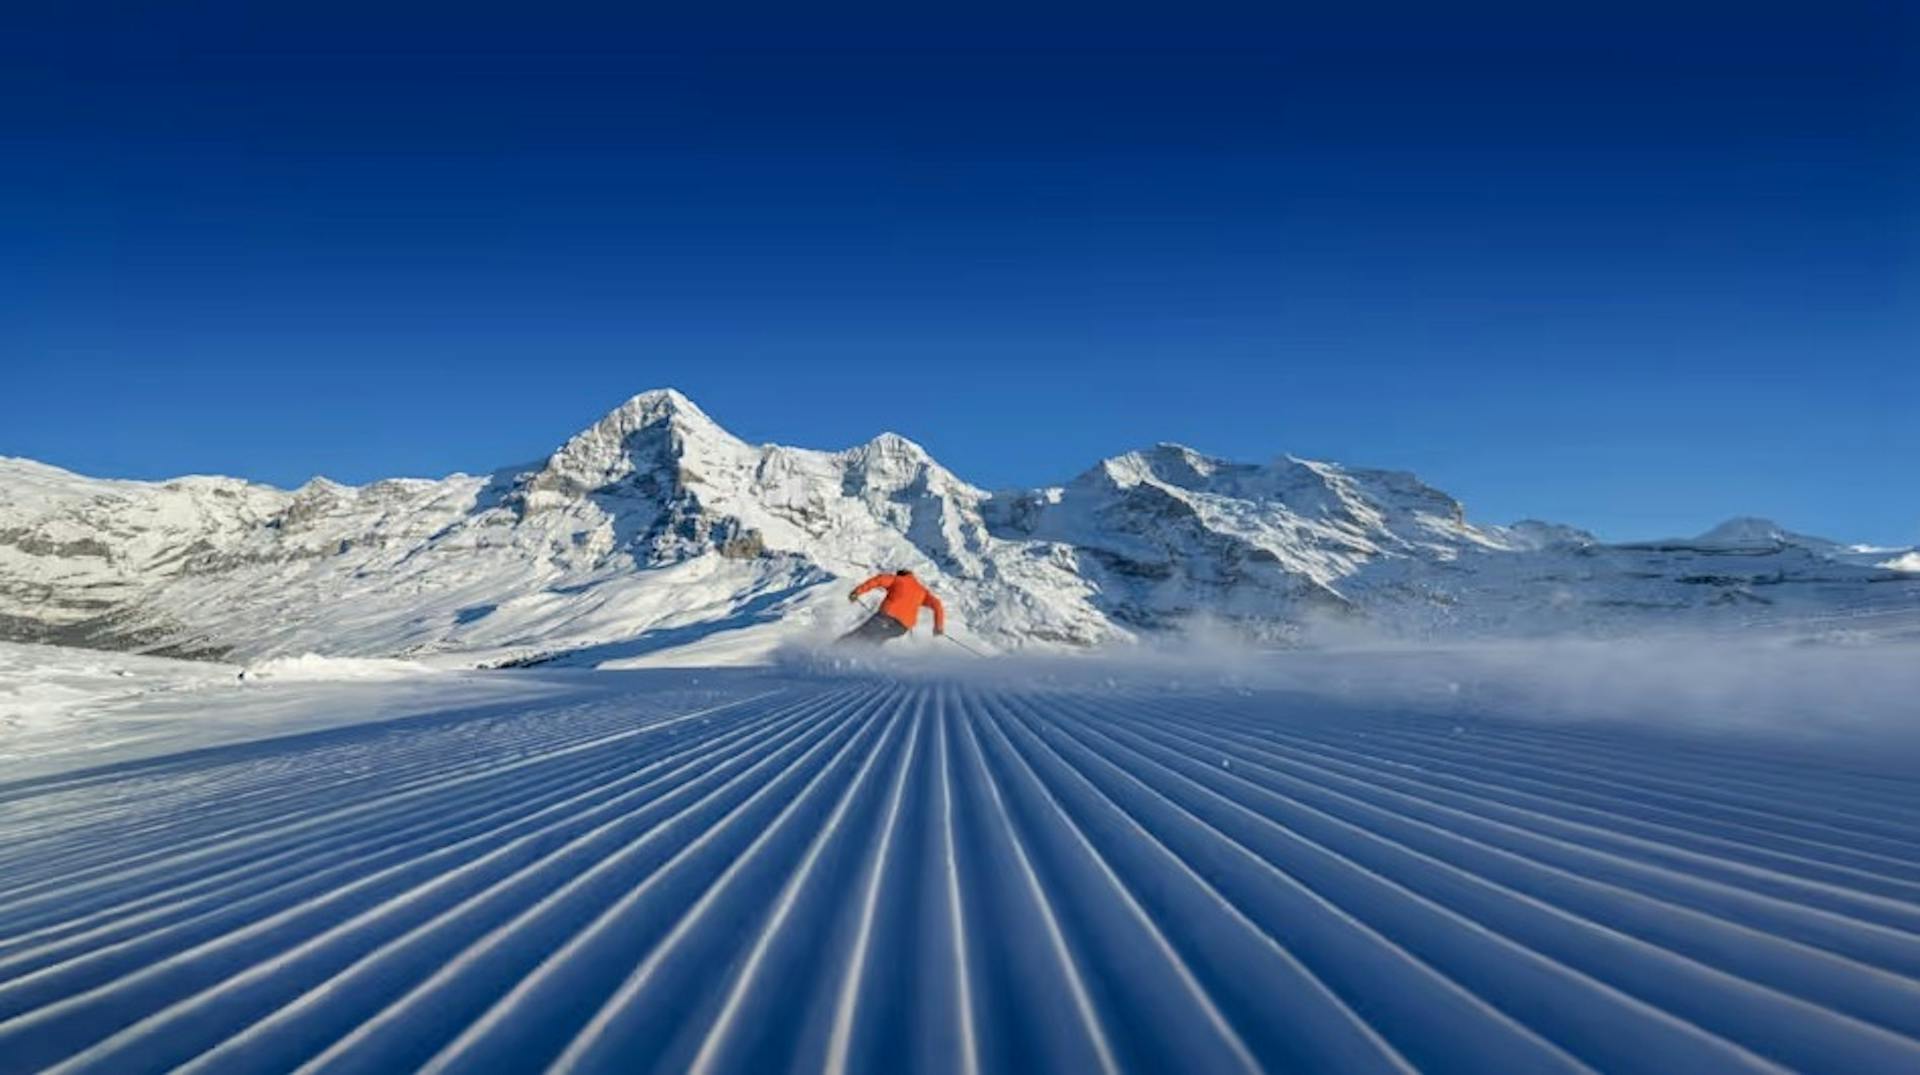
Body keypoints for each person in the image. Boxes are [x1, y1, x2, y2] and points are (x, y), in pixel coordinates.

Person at [841, 568, 945, 645]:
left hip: (887, 616)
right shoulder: (922, 591)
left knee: (861, 632)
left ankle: (837, 648)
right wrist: (938, 627)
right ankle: (866, 658)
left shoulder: (897, 579)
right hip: (902, 628)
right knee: (877, 638)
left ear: (900, 574)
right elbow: (937, 605)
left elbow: (878, 580)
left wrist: (857, 592)